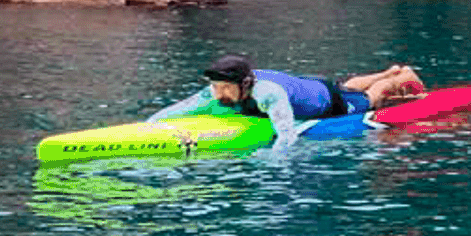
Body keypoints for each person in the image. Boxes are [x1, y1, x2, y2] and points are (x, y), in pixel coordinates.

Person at [148, 54, 424, 150]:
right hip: (307, 84)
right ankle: (390, 70)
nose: (218, 94)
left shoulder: (268, 95)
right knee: (346, 86)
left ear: (245, 85)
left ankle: (398, 78)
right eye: (215, 86)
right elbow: (181, 108)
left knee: (366, 99)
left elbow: (286, 136)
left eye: (225, 88)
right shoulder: (219, 89)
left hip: (327, 103)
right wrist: (149, 127)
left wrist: (268, 164)